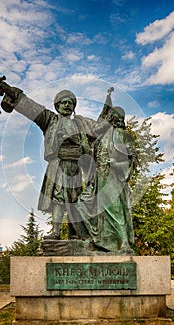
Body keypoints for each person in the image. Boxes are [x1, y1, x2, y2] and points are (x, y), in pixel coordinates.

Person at [0, 81, 98, 240]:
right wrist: (10, 91)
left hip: (75, 167)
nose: (67, 105)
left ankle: (75, 233)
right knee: (58, 199)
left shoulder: (81, 124)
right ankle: (56, 231)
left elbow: (100, 130)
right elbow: (30, 107)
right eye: (64, 102)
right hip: (58, 164)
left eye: (70, 103)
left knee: (75, 200)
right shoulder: (50, 120)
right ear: (58, 105)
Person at [74, 90, 137, 254]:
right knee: (82, 203)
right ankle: (97, 240)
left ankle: (124, 245)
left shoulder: (122, 134)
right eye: (108, 116)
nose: (108, 118)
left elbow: (132, 158)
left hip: (113, 176)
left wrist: (116, 164)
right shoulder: (101, 136)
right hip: (98, 177)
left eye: (112, 116)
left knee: (115, 210)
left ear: (117, 118)